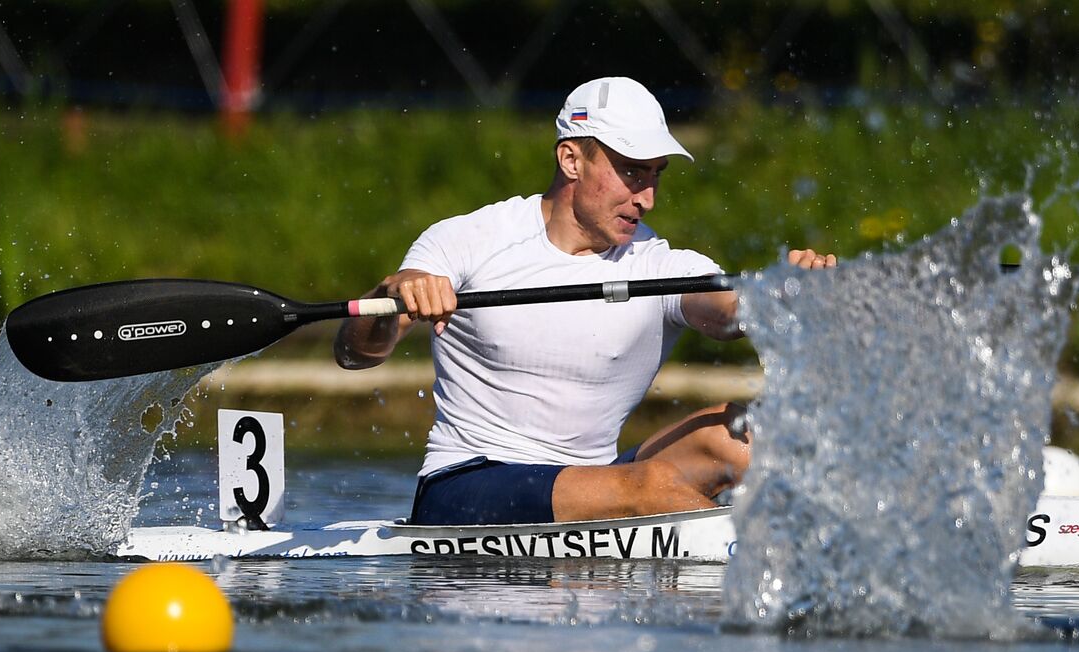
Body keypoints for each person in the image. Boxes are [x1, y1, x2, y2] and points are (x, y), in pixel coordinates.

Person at [334, 76, 834, 526]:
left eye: (656, 174)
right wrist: (394, 295)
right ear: (571, 159)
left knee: (739, 434)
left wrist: (779, 299)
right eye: (632, 173)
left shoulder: (656, 263)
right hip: (466, 486)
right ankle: (768, 566)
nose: (648, 198)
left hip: (600, 482)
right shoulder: (469, 239)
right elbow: (357, 354)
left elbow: (728, 311)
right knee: (649, 488)